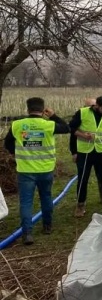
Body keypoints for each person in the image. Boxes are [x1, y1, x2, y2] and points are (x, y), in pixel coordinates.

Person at [3, 97, 70, 245]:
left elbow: (7, 143)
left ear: (27, 109)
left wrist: (16, 154)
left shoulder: (17, 125)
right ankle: (47, 226)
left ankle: (27, 233)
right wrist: (53, 115)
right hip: (46, 169)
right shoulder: (48, 124)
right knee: (46, 197)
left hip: (25, 170)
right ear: (42, 109)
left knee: (26, 202)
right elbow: (66, 128)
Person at [69, 95, 102, 217]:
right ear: (96, 105)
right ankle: (80, 205)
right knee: (83, 179)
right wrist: (82, 135)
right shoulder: (82, 112)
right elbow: (71, 128)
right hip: (85, 151)